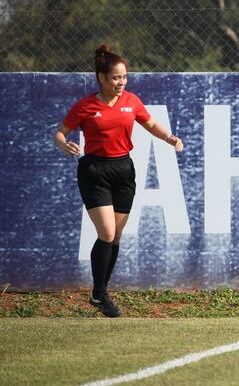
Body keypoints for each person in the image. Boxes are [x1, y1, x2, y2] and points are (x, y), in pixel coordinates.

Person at [54, 45, 184, 317]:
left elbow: (149, 124)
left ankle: (99, 294)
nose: (121, 83)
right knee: (107, 233)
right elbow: (60, 133)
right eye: (115, 78)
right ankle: (100, 294)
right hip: (94, 171)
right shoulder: (86, 105)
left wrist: (169, 138)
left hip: (123, 170)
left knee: (115, 238)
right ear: (101, 77)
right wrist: (64, 144)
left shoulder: (131, 101)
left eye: (124, 77)